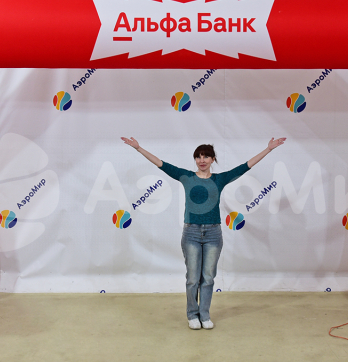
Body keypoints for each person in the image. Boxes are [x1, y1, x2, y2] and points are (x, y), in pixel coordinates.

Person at [121, 137, 286, 330]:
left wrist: (268, 149)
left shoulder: (219, 179)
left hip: (213, 234)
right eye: (198, 157)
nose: (202, 160)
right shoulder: (186, 177)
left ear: (213, 159)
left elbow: (245, 166)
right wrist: (139, 148)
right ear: (195, 160)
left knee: (208, 277)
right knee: (193, 278)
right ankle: (192, 315)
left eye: (206, 156)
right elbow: (161, 163)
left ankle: (204, 315)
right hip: (191, 232)